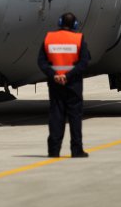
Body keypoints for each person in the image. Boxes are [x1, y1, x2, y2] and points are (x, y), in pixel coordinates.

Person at [38, 12, 91, 158]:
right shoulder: (78, 39)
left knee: (56, 116)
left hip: (55, 84)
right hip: (73, 84)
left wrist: (54, 75)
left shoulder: (49, 38)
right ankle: (76, 150)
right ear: (75, 24)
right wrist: (67, 76)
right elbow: (84, 62)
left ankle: (53, 150)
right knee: (75, 117)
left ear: (60, 22)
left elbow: (41, 62)